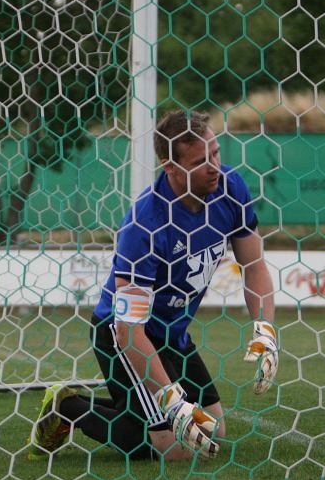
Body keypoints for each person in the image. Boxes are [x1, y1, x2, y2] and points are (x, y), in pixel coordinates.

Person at [29, 109, 278, 462]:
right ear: (171, 167)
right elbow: (129, 330)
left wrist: (264, 328)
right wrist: (172, 402)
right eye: (200, 160)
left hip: (173, 334)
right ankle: (69, 407)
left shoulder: (230, 188)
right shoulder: (144, 225)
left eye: (216, 153)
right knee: (173, 448)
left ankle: (137, 406)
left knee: (213, 429)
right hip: (126, 337)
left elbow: (253, 265)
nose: (214, 166)